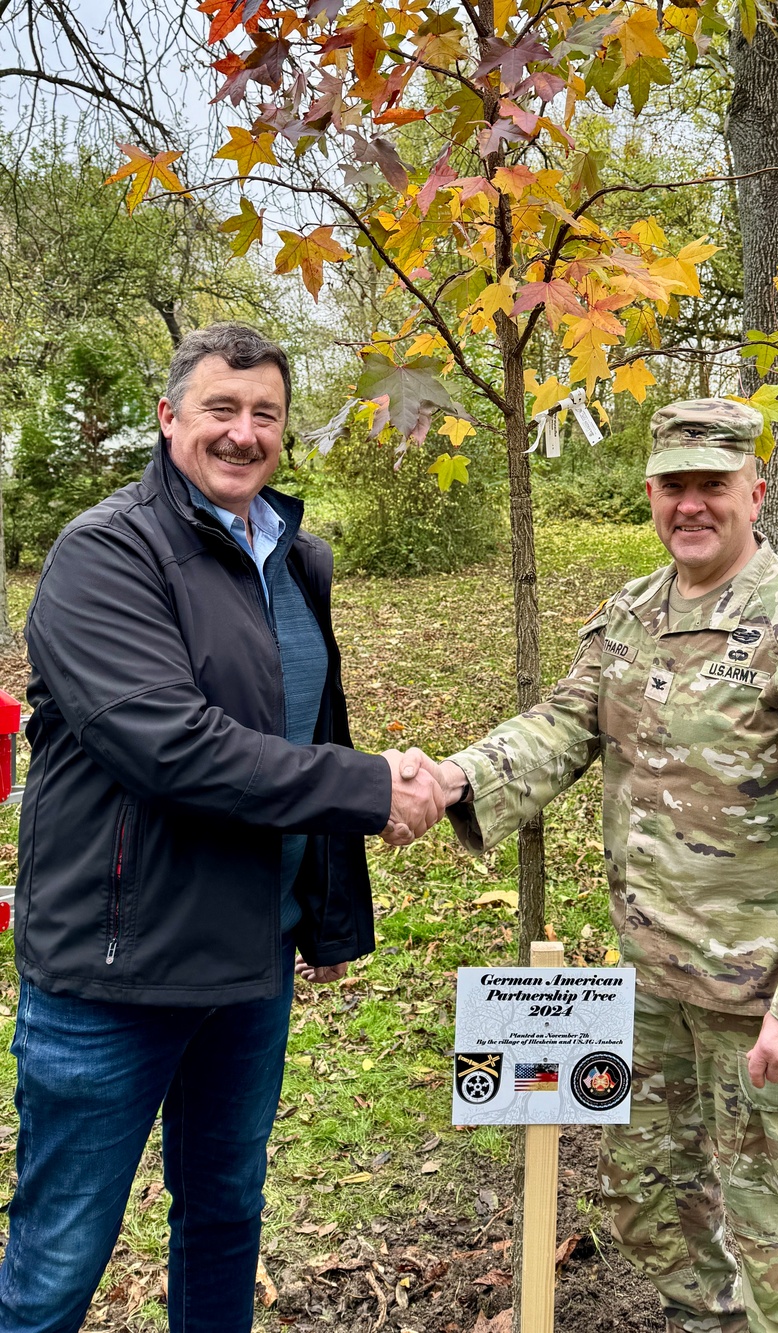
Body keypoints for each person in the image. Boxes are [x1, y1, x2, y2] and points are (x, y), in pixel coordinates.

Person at [430, 399, 778, 1333]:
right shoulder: (633, 616)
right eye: (675, 486)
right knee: (648, 1202)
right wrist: (451, 779)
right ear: (651, 493)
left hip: (762, 998)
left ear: (756, 493)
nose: (692, 505)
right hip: (652, 984)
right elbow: (560, 725)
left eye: (713, 486)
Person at [0, 323, 444, 1333]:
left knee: (225, 1220)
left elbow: (305, 727)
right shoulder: (104, 555)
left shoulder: (293, 557)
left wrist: (324, 917)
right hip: (115, 972)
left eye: (265, 415)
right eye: (220, 410)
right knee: (61, 1258)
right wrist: (374, 788)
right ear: (169, 421)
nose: (243, 434)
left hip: (249, 965)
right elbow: (173, 746)